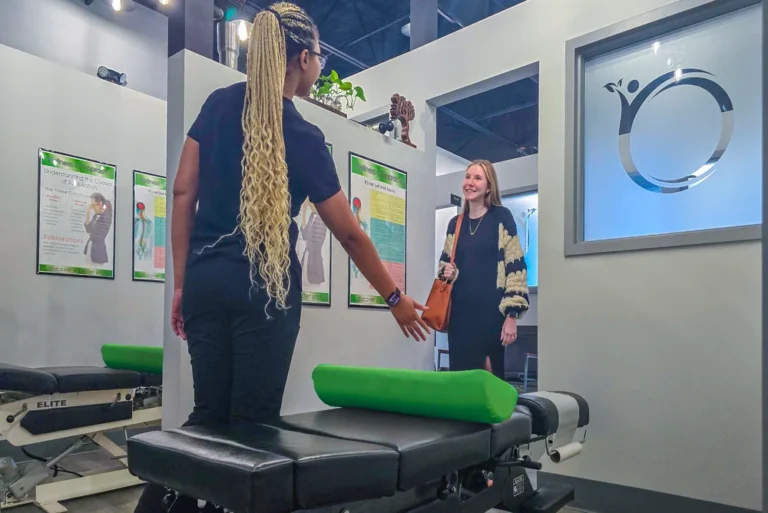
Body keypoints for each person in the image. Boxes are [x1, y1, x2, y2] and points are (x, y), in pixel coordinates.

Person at [135, 3, 429, 512]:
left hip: (205, 279)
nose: (321, 66)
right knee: (250, 431)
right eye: (318, 56)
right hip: (264, 292)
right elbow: (351, 235)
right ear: (302, 58)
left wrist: (183, 283)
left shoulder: (217, 104)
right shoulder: (305, 136)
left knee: (206, 421)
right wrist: (396, 296)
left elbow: (183, 193)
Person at [438, 160, 529, 380]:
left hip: (491, 315)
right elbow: (443, 266)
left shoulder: (501, 217)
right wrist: (447, 272)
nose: (470, 183)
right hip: (460, 316)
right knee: (461, 381)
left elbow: (516, 267)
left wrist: (512, 316)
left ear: (489, 186)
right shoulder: (455, 223)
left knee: (489, 381)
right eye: (468, 177)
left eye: (477, 178)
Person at [83, 192, 112, 265]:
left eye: (93, 205)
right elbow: (88, 230)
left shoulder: (106, 217)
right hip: (90, 248)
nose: (92, 207)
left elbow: (99, 236)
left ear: (99, 204)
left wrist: (91, 234)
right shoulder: (96, 215)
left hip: (98, 252)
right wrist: (87, 214)